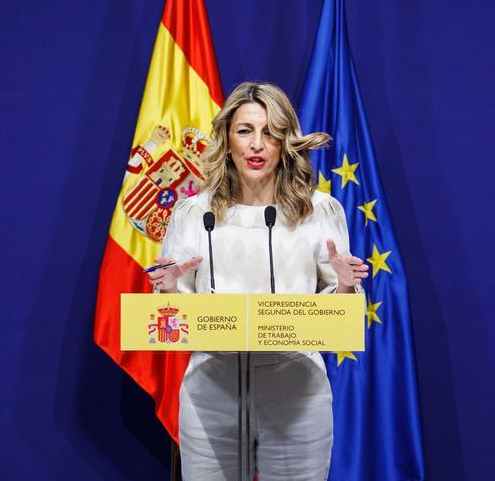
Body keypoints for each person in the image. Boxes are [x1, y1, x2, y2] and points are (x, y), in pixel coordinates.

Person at [147, 81, 368, 481]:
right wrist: (165, 289)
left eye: (270, 132)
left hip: (296, 391)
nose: (257, 145)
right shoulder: (193, 212)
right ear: (226, 138)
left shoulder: (318, 210)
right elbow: (172, 318)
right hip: (211, 390)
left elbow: (339, 319)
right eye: (245, 131)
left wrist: (346, 284)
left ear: (285, 142)